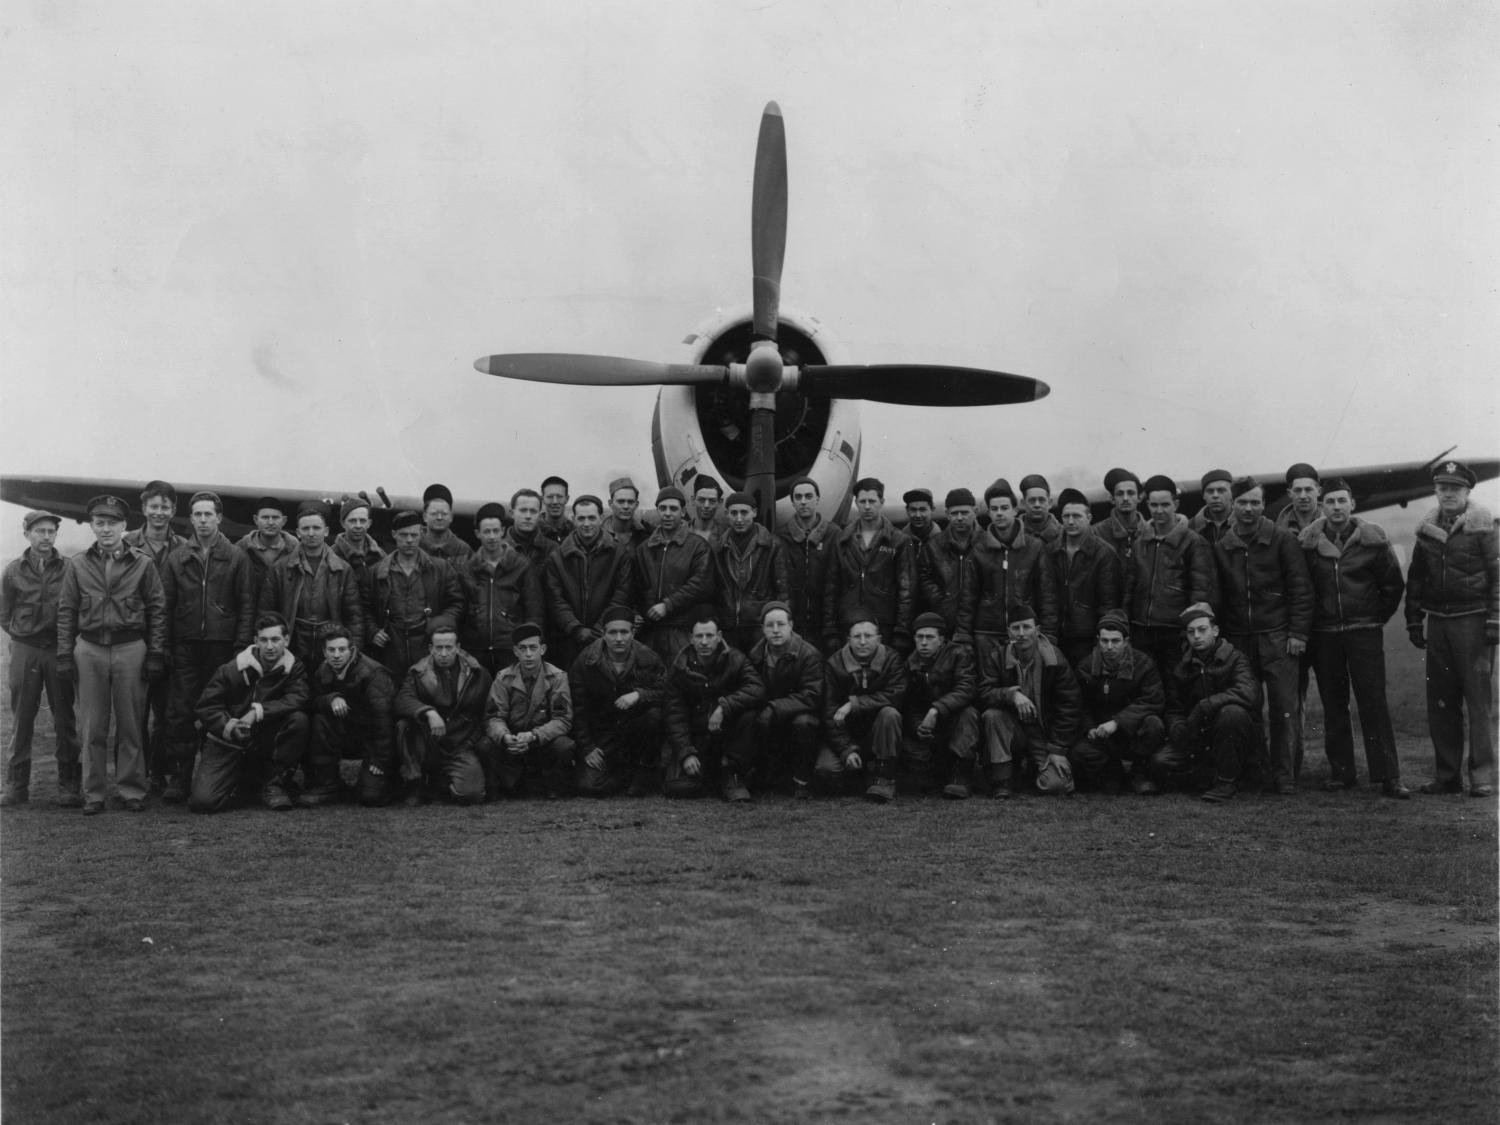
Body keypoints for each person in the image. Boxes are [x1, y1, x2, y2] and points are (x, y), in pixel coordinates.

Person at [56, 495, 167, 815]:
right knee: (92, 725)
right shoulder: (77, 563)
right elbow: (66, 611)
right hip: (89, 648)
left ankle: (132, 789)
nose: (106, 529)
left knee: (131, 724)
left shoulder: (143, 563)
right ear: (92, 525)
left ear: (124, 526)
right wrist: (65, 653)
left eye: (113, 523)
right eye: (100, 523)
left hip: (131, 647)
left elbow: (157, 610)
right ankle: (93, 793)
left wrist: (155, 652)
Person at [1298, 478, 1409, 798]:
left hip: (1363, 633)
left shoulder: (1372, 539)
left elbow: (1392, 585)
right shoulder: (1308, 543)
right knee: (1334, 705)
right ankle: (1342, 772)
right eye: (1330, 501)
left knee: (1374, 702)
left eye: (1341, 501)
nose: (1336, 507)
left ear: (1352, 505)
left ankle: (1389, 776)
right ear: (1322, 505)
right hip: (1326, 635)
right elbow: (1304, 589)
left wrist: (1373, 618)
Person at [1211, 476, 1312, 795]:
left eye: (1255, 502)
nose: (1249, 508)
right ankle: (1254, 769)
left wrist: (1297, 632)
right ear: (1232, 504)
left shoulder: (1282, 540)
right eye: (1242, 502)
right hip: (1239, 640)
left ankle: (1285, 775)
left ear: (1263, 504)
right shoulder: (1223, 545)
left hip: (1277, 637)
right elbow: (1220, 597)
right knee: (1246, 706)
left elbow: (1301, 589)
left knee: (1284, 707)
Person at [1405, 460, 1498, 797]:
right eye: (1442, 488)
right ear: (1436, 491)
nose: (1448, 494)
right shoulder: (1427, 530)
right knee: (1441, 702)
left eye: (1455, 488)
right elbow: (1415, 578)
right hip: (1439, 623)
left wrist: (1495, 620)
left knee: (1477, 701)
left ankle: (1482, 775)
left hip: (1474, 622)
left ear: (1467, 491)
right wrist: (1413, 618)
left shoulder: (1484, 527)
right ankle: (1447, 775)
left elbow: (1498, 576)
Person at [159, 491, 254, 803]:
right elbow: (165, 607)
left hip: (223, 647)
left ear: (219, 518)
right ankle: (179, 778)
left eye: (208, 515)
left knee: (222, 709)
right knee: (180, 712)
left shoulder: (237, 557)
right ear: (191, 518)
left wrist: (240, 648)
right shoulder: (177, 558)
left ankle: (222, 775)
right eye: (197, 515)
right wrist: (168, 646)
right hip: (186, 647)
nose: (202, 520)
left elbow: (247, 606)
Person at [188, 611, 310, 813]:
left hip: (263, 739)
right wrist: (229, 725)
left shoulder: (294, 668)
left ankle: (274, 783)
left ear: (286, 640)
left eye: (275, 639)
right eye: (264, 640)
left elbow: (299, 697)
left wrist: (257, 712)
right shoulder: (233, 668)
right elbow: (206, 706)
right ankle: (244, 784)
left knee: (299, 720)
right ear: (255, 641)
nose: (270, 646)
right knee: (204, 802)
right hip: (228, 741)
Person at [1, 510, 80, 807]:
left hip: (60, 648)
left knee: (64, 716)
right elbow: (4, 614)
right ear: (27, 534)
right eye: (40, 531)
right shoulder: (12, 571)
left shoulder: (71, 568)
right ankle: (16, 785)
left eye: (51, 531)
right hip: (26, 648)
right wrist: (24, 636)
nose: (46, 537)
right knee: (22, 716)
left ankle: (69, 783)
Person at [976, 601, 1080, 797]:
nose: (1021, 633)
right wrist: (1011, 694)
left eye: (1027, 627)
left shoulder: (1055, 660)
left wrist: (1057, 749)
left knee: (1056, 786)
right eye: (1016, 628)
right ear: (1008, 632)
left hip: (1044, 734)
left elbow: (1069, 706)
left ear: (1037, 630)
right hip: (1014, 729)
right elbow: (984, 693)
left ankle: (1032, 768)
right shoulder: (998, 657)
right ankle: (1002, 781)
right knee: (993, 716)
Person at [1163, 603, 1262, 804]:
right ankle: (1206, 774)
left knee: (1231, 713)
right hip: (1198, 733)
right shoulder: (1182, 666)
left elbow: (1248, 692)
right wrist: (1177, 726)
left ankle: (1226, 781)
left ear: (1215, 631)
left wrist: (1205, 706)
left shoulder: (1235, 658)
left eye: (1202, 630)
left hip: (1234, 733)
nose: (1197, 636)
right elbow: (1174, 707)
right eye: (1191, 632)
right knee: (1160, 762)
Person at [1067, 610, 1173, 794]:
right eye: (1104, 641)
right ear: (1098, 640)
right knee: (1079, 754)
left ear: (1126, 641)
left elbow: (1153, 700)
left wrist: (1118, 722)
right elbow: (1080, 705)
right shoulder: (1085, 667)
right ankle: (1112, 772)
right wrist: (1090, 728)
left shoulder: (1144, 664)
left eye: (1115, 641)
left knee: (1154, 725)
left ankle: (1138, 772)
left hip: (1133, 732)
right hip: (1102, 735)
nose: (1109, 647)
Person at [124, 480, 186, 791]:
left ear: (173, 510)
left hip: (172, 642)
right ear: (143, 508)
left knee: (167, 713)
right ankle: (137, 773)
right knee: (134, 712)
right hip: (134, 640)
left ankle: (160, 773)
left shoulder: (184, 546)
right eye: (153, 506)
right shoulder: (126, 544)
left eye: (165, 507)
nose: (159, 512)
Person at [663, 612, 764, 801]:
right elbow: (675, 714)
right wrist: (686, 753)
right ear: (691, 639)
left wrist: (723, 707)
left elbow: (756, 688)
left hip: (726, 736)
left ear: (719, 637)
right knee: (677, 788)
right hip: (697, 738)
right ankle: (713, 777)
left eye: (709, 636)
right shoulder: (679, 668)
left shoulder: (736, 659)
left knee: (750, 715)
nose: (704, 642)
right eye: (699, 636)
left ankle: (731, 773)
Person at [1124, 474, 1216, 679]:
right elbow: (1130, 587)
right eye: (1154, 505)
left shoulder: (1193, 542)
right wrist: (1127, 624)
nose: (1159, 511)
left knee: (1176, 686)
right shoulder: (1140, 543)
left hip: (1175, 632)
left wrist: (1190, 630)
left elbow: (1200, 591)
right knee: (1146, 683)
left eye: (1165, 504)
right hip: (1142, 630)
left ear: (1176, 503)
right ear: (1146, 504)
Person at [570, 607, 666, 797]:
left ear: (633, 633)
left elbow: (667, 692)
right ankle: (623, 774)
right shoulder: (586, 660)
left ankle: (642, 771)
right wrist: (588, 747)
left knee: (655, 716)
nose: (619, 638)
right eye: (613, 632)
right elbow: (577, 707)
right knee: (590, 786)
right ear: (603, 634)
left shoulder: (649, 657)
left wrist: (639, 695)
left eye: (624, 632)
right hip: (603, 733)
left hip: (635, 731)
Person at [394, 622, 492, 806]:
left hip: (461, 744)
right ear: (431, 649)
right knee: (404, 726)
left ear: (458, 648)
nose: (444, 653)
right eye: (439, 648)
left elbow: (487, 713)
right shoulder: (418, 672)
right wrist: (429, 713)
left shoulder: (479, 674)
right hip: (429, 742)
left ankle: (439, 783)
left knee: (471, 795)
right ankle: (415, 782)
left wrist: (471, 741)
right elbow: (402, 699)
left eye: (449, 647)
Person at [300, 623, 397, 807]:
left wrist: (380, 760)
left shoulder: (374, 673)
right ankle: (328, 785)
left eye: (342, 649)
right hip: (347, 733)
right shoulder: (323, 669)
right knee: (319, 719)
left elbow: (385, 721)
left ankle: (391, 780)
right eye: (331, 650)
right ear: (324, 651)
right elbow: (314, 700)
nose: (336, 655)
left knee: (371, 797)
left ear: (351, 649)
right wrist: (331, 699)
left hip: (372, 740)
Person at [260, 502, 365, 668]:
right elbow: (267, 612)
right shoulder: (280, 569)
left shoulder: (342, 570)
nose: (311, 533)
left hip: (331, 644)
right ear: (298, 533)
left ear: (326, 531)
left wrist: (354, 651)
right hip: (293, 641)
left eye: (316, 528)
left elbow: (354, 616)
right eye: (306, 528)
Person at [819, 614, 908, 802]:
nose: (862, 642)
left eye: (868, 636)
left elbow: (896, 695)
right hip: (847, 733)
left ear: (879, 639)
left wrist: (855, 703)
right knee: (826, 772)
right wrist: (846, 750)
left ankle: (885, 778)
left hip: (878, 733)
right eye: (856, 637)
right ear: (848, 640)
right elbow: (829, 711)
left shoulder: (892, 660)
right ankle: (861, 774)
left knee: (890, 713)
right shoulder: (834, 664)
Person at [823, 477, 915, 656]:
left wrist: (902, 630)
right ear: (856, 502)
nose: (867, 506)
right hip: (848, 623)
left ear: (882, 502)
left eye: (872, 501)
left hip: (884, 624)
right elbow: (831, 587)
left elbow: (907, 590)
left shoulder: (899, 541)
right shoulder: (842, 540)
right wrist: (830, 629)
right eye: (862, 501)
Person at [365, 510, 462, 678]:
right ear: (394, 534)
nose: (409, 540)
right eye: (403, 535)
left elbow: (456, 603)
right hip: (390, 646)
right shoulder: (376, 572)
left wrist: (440, 628)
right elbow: (364, 607)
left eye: (413, 534)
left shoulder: (440, 569)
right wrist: (373, 631)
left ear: (422, 533)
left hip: (426, 645)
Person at [484, 622, 575, 799]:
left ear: (543, 649)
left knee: (564, 746)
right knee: (485, 746)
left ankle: (551, 787)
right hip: (513, 742)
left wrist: (534, 736)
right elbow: (493, 717)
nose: (528, 654)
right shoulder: (503, 678)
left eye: (533, 648)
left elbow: (562, 719)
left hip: (540, 741)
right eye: (522, 648)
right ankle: (507, 786)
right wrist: (505, 737)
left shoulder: (557, 677)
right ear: (515, 651)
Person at [544, 495, 633, 671]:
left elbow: (621, 594)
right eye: (581, 518)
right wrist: (575, 628)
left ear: (601, 518)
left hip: (605, 637)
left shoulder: (619, 554)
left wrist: (599, 629)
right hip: (567, 639)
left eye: (592, 518)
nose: (586, 524)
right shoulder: (558, 556)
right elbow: (555, 598)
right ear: (573, 519)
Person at [968, 479, 1058, 650]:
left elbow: (1047, 596)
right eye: (994, 509)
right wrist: (964, 636)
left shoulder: (1034, 547)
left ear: (1015, 510)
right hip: (988, 634)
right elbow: (968, 597)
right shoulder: (979, 550)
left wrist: (1049, 635)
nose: (999, 513)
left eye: (1004, 508)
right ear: (989, 513)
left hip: (1024, 633)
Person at [747, 601, 823, 797]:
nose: (775, 630)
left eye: (781, 624)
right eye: (770, 625)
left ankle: (802, 781)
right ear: (762, 629)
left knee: (803, 723)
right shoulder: (756, 655)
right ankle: (762, 774)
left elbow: (811, 695)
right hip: (769, 716)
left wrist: (774, 707)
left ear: (791, 625)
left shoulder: (809, 654)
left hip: (800, 715)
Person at [459, 501, 543, 676]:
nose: (491, 536)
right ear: (477, 534)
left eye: (496, 531)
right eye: (486, 531)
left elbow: (534, 610)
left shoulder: (521, 566)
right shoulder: (468, 569)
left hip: (511, 649)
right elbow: (460, 610)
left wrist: (527, 645)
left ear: (503, 531)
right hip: (476, 650)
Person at [903, 612, 980, 799]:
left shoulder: (960, 654)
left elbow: (966, 689)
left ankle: (960, 777)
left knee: (968, 714)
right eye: (919, 637)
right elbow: (909, 704)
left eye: (929, 637)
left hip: (952, 721)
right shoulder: (910, 663)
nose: (923, 643)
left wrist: (936, 709)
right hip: (928, 728)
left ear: (942, 639)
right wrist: (918, 726)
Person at [634, 486, 715, 663]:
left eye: (673, 508)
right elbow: (637, 586)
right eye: (662, 508)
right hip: (651, 632)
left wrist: (667, 605)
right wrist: (641, 613)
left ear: (683, 511)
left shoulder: (697, 546)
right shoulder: (644, 549)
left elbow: (700, 583)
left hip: (683, 631)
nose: (668, 513)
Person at [711, 491, 790, 652]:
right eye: (734, 513)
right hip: (728, 627)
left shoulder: (773, 546)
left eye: (744, 512)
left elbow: (784, 592)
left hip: (760, 628)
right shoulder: (719, 548)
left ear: (754, 512)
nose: (739, 519)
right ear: (726, 514)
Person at [1051, 487, 1122, 666]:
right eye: (1066, 516)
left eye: (1077, 516)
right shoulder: (1051, 551)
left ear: (1089, 518)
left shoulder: (1104, 553)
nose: (1071, 521)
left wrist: (1100, 640)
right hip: (1056, 634)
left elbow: (1109, 603)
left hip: (1087, 636)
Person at [918, 487, 980, 647]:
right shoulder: (934, 546)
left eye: (965, 513)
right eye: (954, 513)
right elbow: (925, 577)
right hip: (945, 620)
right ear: (947, 514)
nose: (959, 518)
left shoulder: (986, 543)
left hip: (981, 621)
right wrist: (941, 602)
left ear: (976, 512)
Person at [778, 475, 834, 651]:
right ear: (792, 502)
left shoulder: (834, 535)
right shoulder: (780, 537)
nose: (803, 502)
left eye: (809, 496)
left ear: (817, 499)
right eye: (798, 497)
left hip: (826, 623)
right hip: (793, 622)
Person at [236, 496, 298, 618]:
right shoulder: (241, 549)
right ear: (255, 519)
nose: (270, 522)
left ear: (284, 521)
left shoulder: (295, 550)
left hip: (285, 618)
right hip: (249, 616)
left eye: (275, 518)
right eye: (265, 517)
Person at [1091, 468, 1145, 566]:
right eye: (1120, 494)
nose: (1125, 498)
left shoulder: (1151, 531)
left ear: (1140, 497)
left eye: (1131, 493)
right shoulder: (1096, 533)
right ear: (1112, 498)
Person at [331, 494, 386, 584]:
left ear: (369, 523)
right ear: (342, 523)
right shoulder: (332, 555)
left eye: (362, 521)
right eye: (352, 521)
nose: (358, 526)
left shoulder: (379, 555)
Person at [505, 488, 559, 575]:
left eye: (533, 511)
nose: (528, 516)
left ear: (540, 515)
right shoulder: (498, 549)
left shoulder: (552, 549)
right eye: (523, 510)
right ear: (512, 513)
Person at [419, 483, 472, 562]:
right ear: (425, 517)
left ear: (451, 516)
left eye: (444, 514)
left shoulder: (463, 550)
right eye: (434, 513)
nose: (439, 518)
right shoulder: (414, 545)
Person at [1189, 469, 1234, 546]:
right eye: (1210, 491)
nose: (1215, 495)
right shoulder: (1191, 527)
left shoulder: (1244, 523)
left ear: (1232, 493)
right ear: (1203, 495)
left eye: (1221, 490)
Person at [1275, 462, 1322, 535]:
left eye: (1308, 490)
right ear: (1289, 493)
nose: (1303, 496)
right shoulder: (1277, 531)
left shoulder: (1331, 523)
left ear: (1319, 491)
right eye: (1298, 490)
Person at [604, 476, 651, 547]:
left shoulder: (648, 533)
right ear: (610, 504)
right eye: (621, 501)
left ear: (636, 505)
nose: (626, 506)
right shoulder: (598, 533)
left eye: (631, 502)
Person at [1019, 474, 1062, 548]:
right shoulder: (1013, 534)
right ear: (1023, 503)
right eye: (1032, 501)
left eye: (1041, 500)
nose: (1037, 505)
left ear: (1050, 503)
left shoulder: (1063, 534)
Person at [688, 476, 729, 543]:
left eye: (712, 501)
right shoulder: (679, 532)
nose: (706, 505)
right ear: (693, 500)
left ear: (720, 502)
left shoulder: (726, 537)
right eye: (701, 500)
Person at [538, 476, 574, 545]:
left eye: (559, 497)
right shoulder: (533, 531)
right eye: (550, 497)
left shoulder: (576, 532)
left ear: (567, 499)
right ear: (542, 499)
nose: (555, 502)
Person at [903, 488, 937, 552]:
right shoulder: (900, 541)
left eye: (922, 510)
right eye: (913, 510)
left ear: (932, 509)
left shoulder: (943, 540)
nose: (918, 515)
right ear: (907, 511)